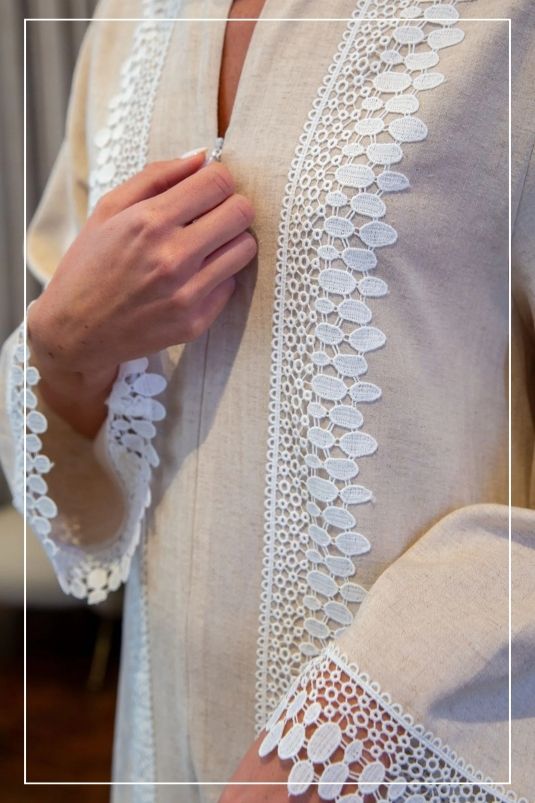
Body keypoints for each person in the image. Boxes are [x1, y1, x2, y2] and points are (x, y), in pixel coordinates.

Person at [1, 0, 534, 801]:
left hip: (412, 766)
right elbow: (71, 381)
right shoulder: (127, 19)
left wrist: (355, 724)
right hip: (161, 742)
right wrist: (65, 347)